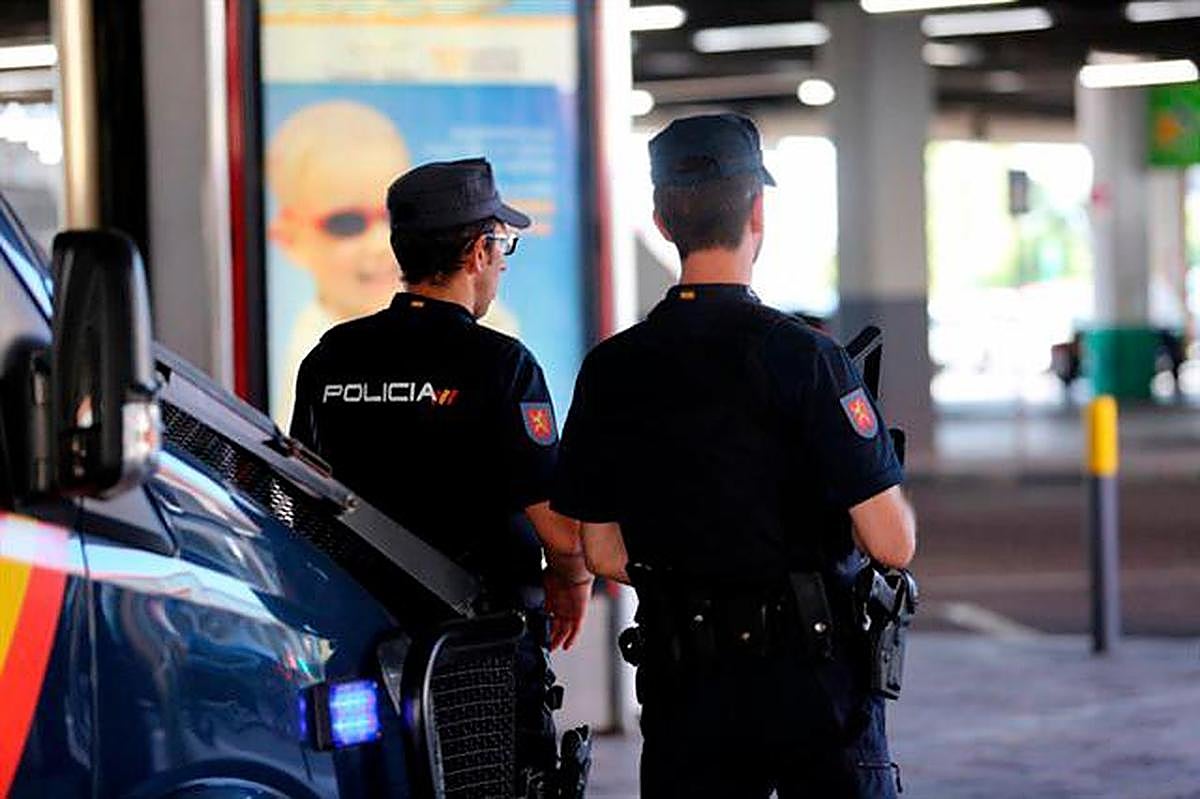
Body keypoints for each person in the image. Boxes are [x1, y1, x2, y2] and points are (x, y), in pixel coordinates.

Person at [551, 114, 917, 798]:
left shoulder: (612, 369)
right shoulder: (809, 359)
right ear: (759, 212)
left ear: (661, 220)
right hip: (814, 686)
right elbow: (892, 543)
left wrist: (695, 574)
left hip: (685, 682)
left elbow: (599, 553)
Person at [289, 157, 592, 794]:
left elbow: (300, 498)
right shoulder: (501, 364)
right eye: (502, 245)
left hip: (359, 647)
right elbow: (561, 534)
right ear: (479, 251)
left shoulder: (330, 357)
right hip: (476, 657)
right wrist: (572, 579)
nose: (504, 262)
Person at [267, 100, 519, 428]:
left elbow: (296, 474)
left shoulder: (325, 359)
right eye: (347, 223)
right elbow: (535, 477)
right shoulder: (503, 362)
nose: (376, 243)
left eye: (386, 220)